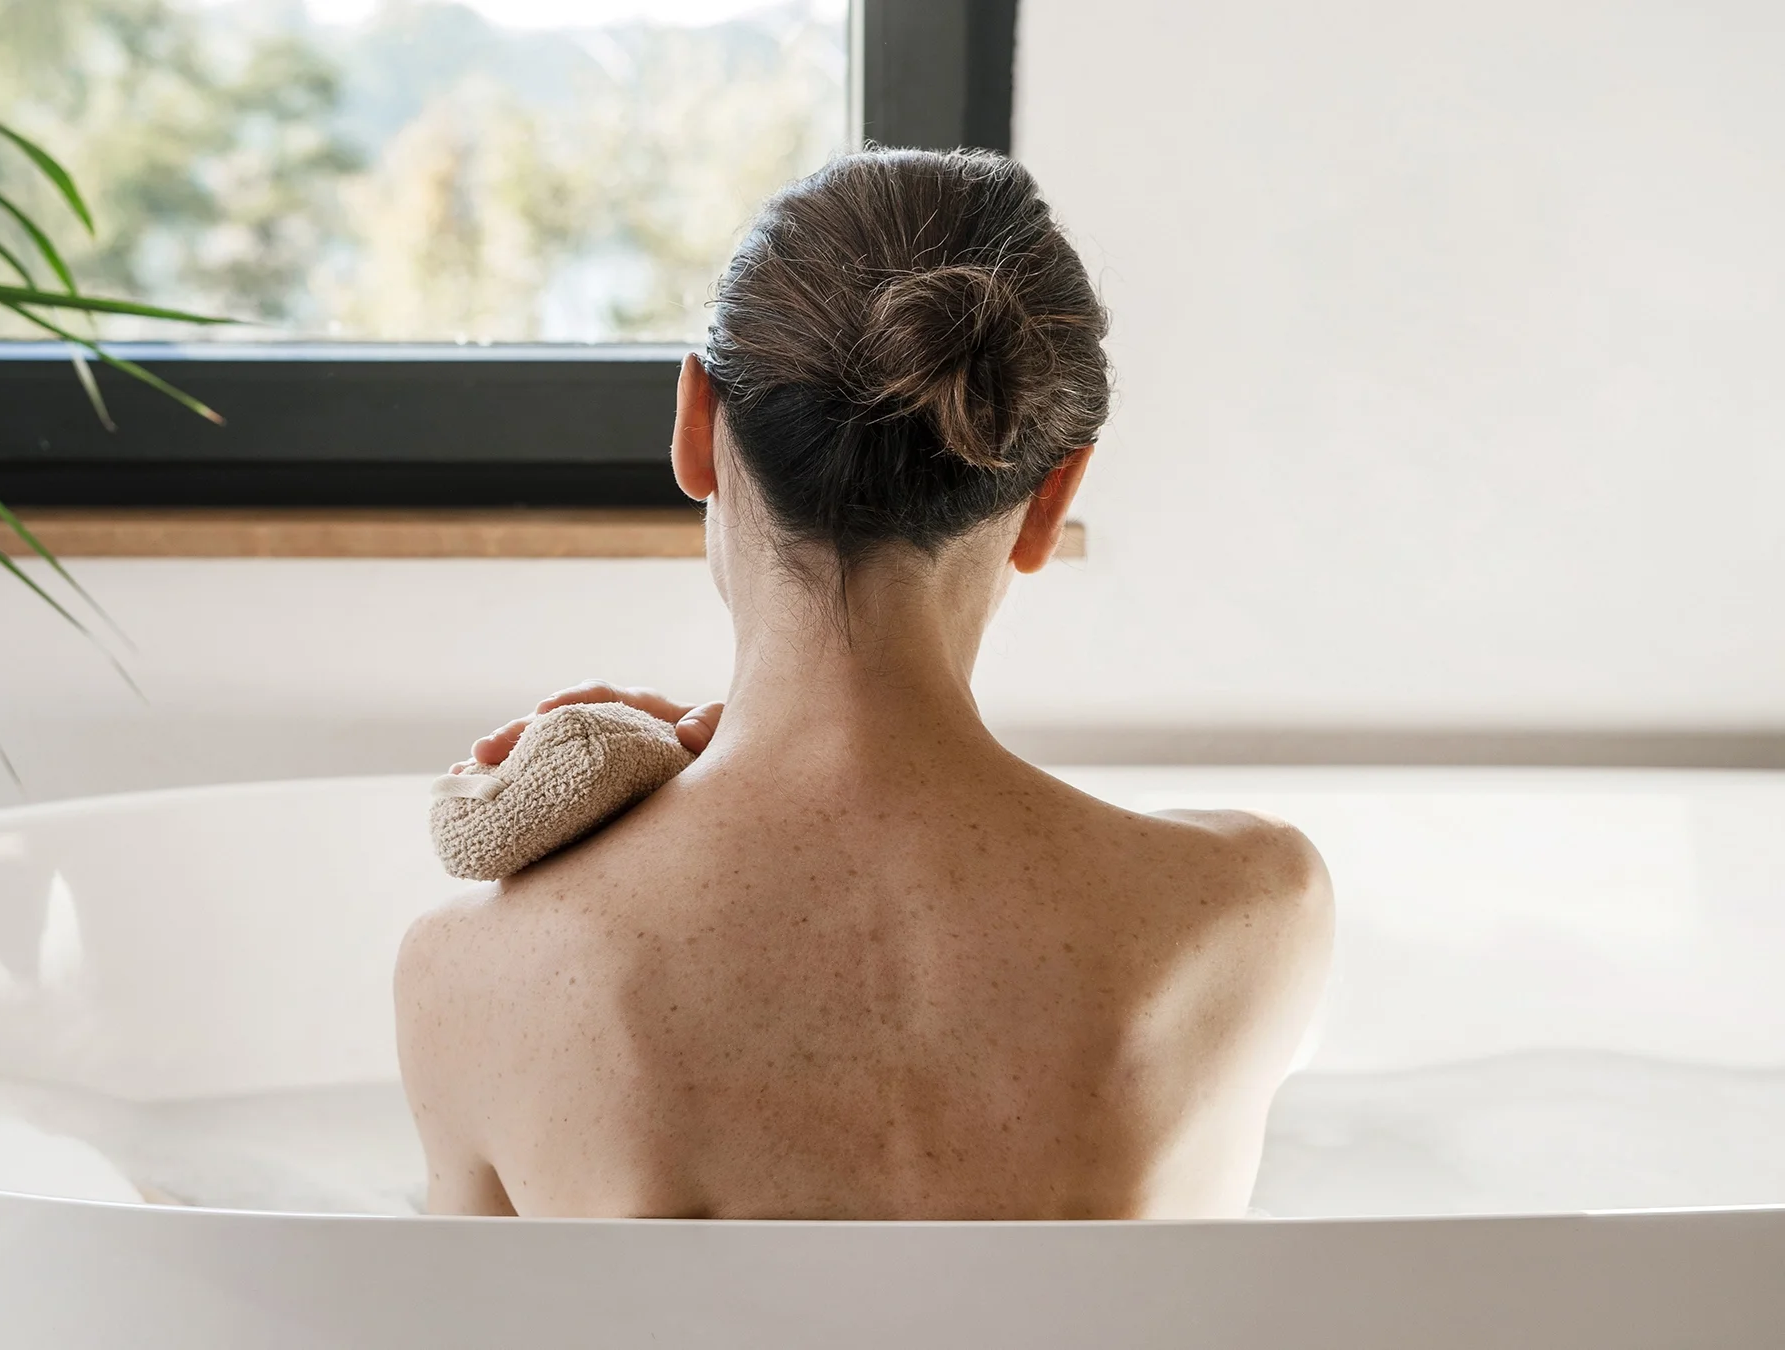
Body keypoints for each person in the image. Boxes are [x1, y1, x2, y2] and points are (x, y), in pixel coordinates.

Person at [395, 149, 1333, 1221]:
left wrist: (660, 815)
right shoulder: (1252, 909)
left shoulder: (471, 976)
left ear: (694, 426)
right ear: (1052, 494)